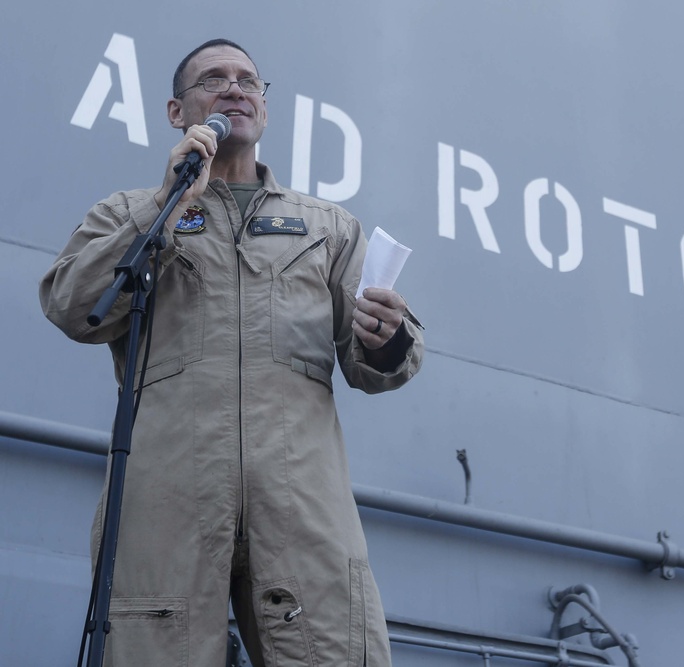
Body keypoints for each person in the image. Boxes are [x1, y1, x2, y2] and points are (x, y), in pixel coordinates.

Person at [39, 38, 422, 666]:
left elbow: (375, 361)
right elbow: (74, 307)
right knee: (153, 647)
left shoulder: (329, 227)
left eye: (248, 80)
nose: (235, 87)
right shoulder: (130, 213)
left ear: (264, 110)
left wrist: (388, 338)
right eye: (213, 79)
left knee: (329, 647)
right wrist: (162, 213)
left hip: (301, 492)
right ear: (176, 111)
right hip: (167, 486)